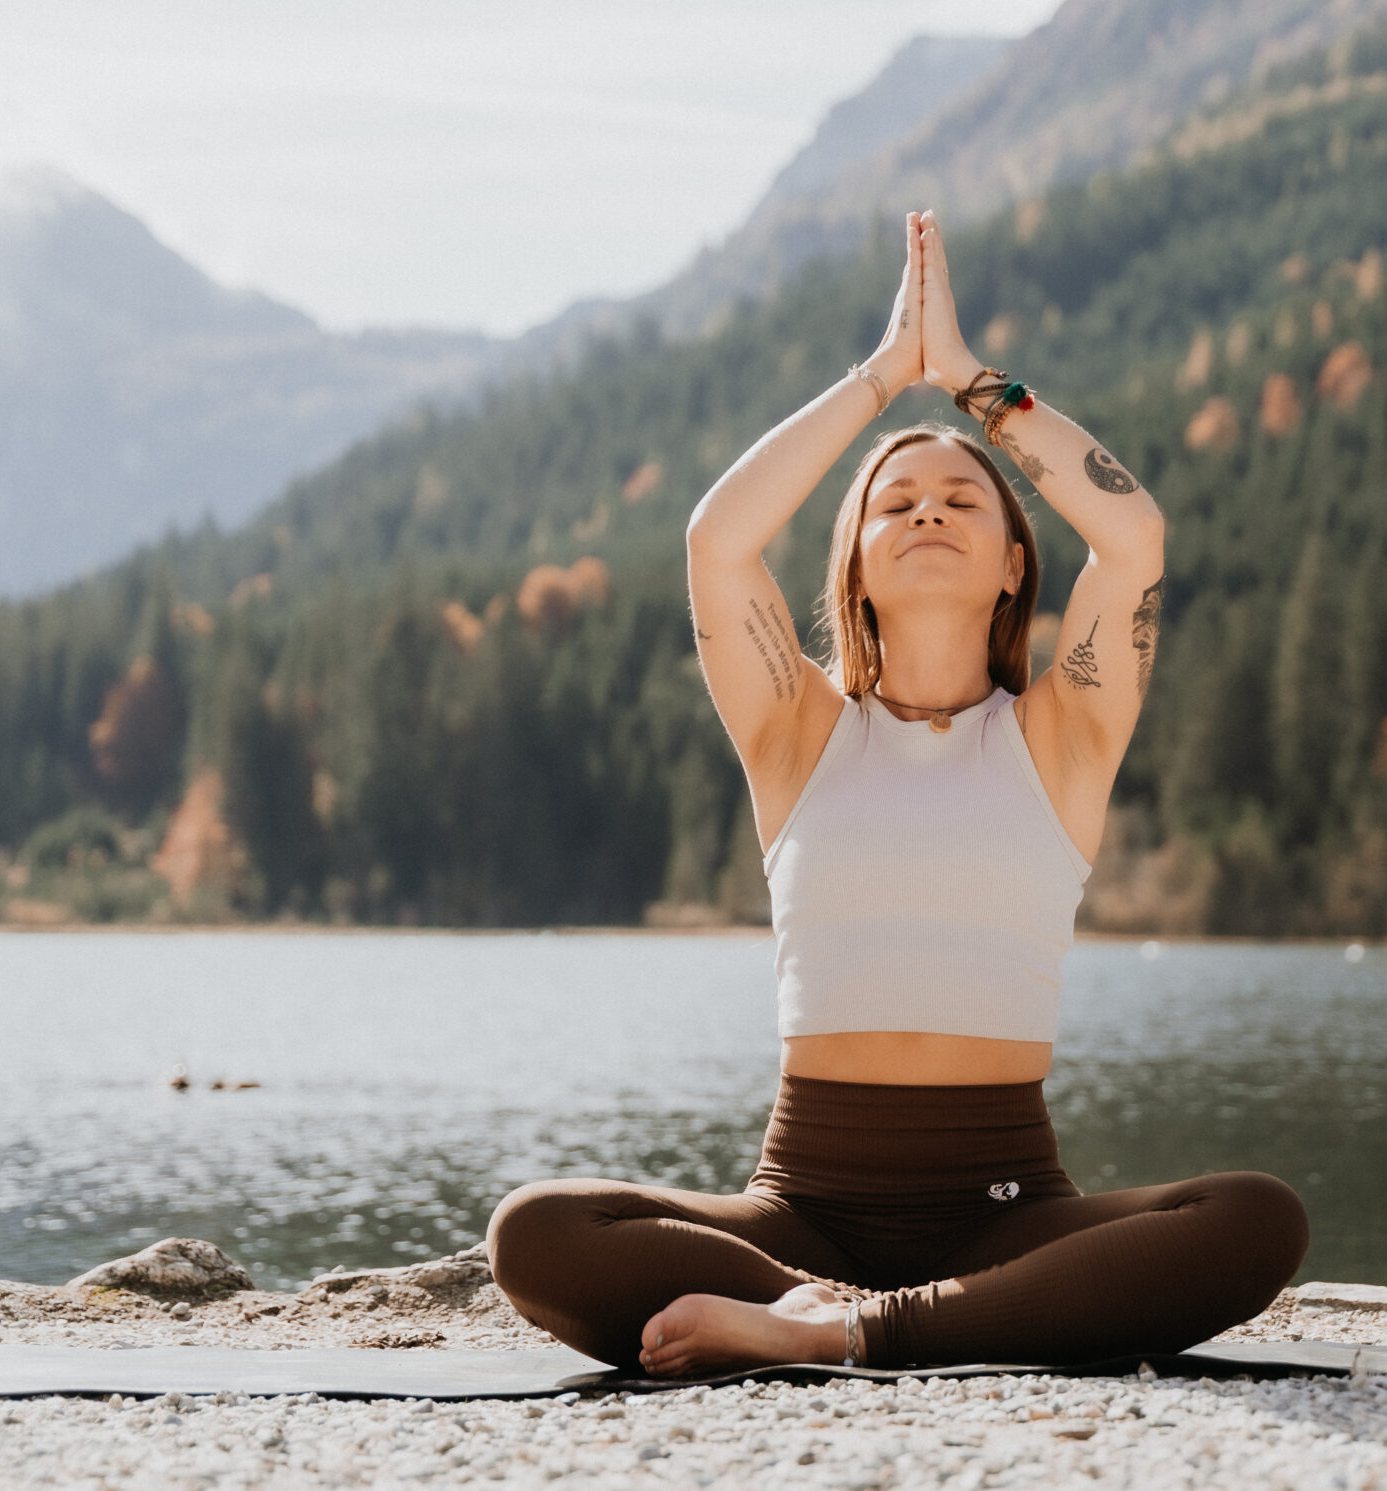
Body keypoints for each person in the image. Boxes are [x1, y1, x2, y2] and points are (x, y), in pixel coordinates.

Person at [487, 213, 1308, 1376]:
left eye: (961, 501)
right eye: (895, 501)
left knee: (1256, 1217)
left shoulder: (1060, 736)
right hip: (799, 1214)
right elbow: (718, 540)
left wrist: (974, 387)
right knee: (535, 1231)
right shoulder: (797, 730)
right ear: (857, 565)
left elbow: (1132, 536)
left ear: (1016, 562)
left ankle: (847, 1331)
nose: (927, 509)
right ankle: (864, 1313)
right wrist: (881, 381)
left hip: (1007, 1204)